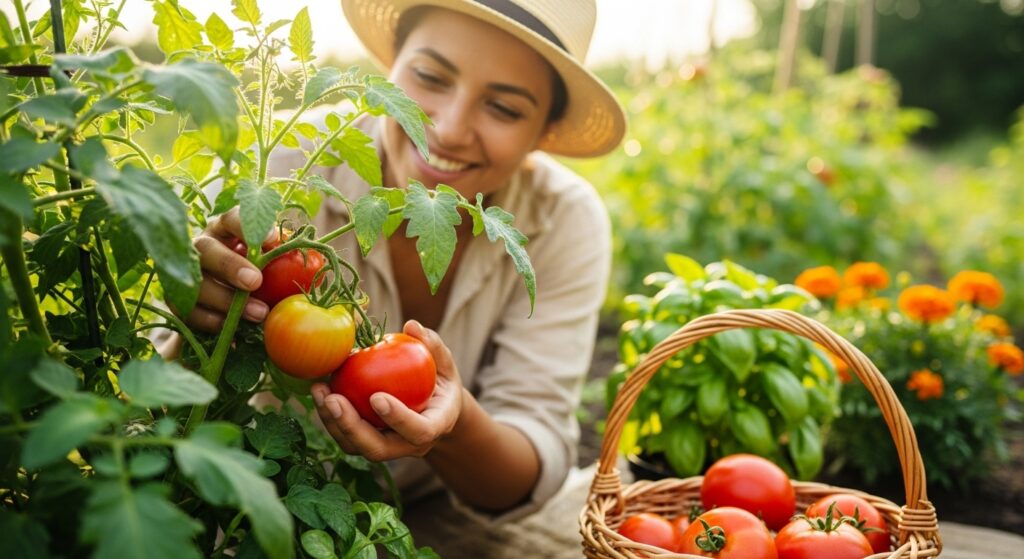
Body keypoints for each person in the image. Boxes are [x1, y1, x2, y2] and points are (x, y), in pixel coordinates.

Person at [185, 0, 626, 535]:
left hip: (430, 520)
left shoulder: (563, 220)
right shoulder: (277, 167)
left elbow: (530, 464)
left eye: (504, 108)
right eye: (430, 77)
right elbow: (172, 399)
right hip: (243, 512)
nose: (449, 129)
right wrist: (190, 309)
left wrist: (454, 425)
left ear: (545, 133)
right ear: (388, 69)